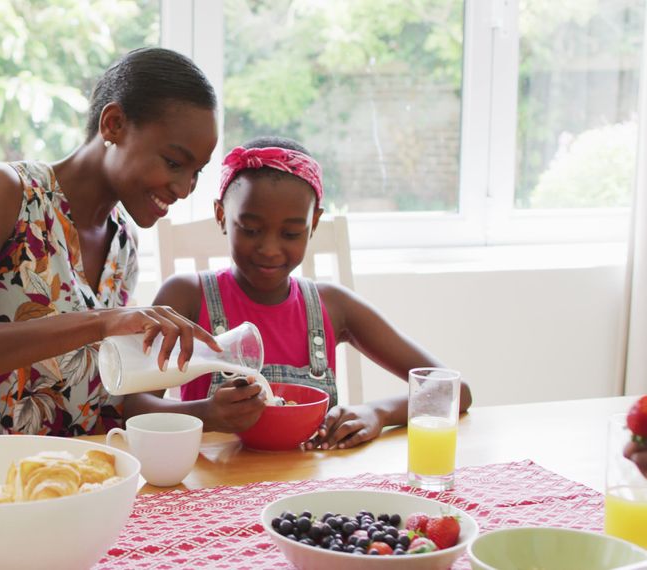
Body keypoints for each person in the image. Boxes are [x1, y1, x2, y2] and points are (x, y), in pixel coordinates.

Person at [0, 47, 220, 437]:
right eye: (174, 162)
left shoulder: (124, 243)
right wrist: (101, 322)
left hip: (71, 479)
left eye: (196, 173)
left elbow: (94, 398)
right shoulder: (9, 193)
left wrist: (206, 412)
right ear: (114, 124)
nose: (184, 188)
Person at [124, 136, 472, 449]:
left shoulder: (334, 306)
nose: (270, 249)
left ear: (314, 224)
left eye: (291, 234)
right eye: (250, 229)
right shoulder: (186, 296)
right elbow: (132, 406)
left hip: (309, 500)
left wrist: (376, 412)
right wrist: (207, 414)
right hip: (213, 493)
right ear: (221, 216)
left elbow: (453, 391)